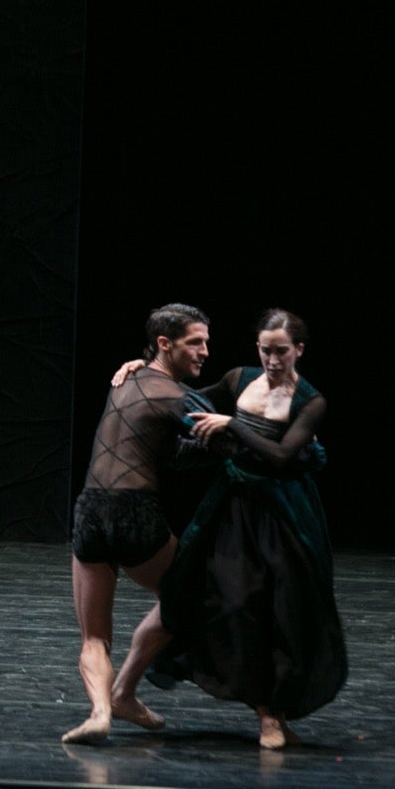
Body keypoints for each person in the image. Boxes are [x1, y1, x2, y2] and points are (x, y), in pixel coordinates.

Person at [149, 308, 345, 749]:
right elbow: (182, 396)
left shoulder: (309, 401)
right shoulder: (240, 378)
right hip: (234, 508)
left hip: (283, 512)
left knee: (283, 610)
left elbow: (281, 457)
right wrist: (141, 372)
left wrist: (232, 424)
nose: (273, 360)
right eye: (265, 350)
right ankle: (264, 712)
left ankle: (273, 716)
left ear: (299, 350)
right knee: (235, 604)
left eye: (282, 352)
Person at [61, 303, 212, 743]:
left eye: (206, 341)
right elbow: (222, 438)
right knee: (188, 595)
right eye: (195, 343)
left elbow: (166, 453)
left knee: (94, 639)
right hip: (133, 514)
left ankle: (101, 713)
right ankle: (124, 690)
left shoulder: (125, 379)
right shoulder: (175, 395)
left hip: (90, 510)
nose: (205, 351)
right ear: (165, 344)